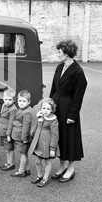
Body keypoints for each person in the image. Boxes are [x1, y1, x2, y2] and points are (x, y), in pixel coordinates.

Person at [50, 39, 87, 182]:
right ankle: (62, 165)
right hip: (57, 107)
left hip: (68, 109)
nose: (57, 54)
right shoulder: (59, 67)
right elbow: (54, 88)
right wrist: (49, 106)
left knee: (69, 138)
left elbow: (78, 96)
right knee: (58, 136)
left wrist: (73, 115)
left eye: (59, 52)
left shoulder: (77, 71)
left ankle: (71, 168)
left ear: (67, 53)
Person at [28, 98, 59, 187]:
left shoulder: (53, 120)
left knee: (47, 161)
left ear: (52, 110)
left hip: (47, 144)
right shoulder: (40, 116)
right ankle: (40, 175)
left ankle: (45, 178)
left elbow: (55, 135)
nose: (45, 111)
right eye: (44, 108)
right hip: (38, 142)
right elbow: (36, 127)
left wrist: (53, 148)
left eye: (48, 109)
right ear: (41, 108)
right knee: (37, 161)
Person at [10, 90, 32, 177]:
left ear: (29, 102)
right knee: (24, 153)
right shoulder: (21, 109)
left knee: (23, 153)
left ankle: (21, 171)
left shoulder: (27, 112)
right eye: (20, 101)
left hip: (22, 137)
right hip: (18, 135)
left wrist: (24, 138)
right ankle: (27, 169)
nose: (21, 103)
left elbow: (26, 127)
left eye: (24, 101)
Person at [0, 88, 18, 171]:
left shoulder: (13, 109)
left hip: (7, 132)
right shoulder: (3, 105)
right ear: (3, 99)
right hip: (2, 130)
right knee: (6, 149)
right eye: (6, 99)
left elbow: (11, 123)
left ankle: (11, 163)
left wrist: (8, 134)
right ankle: (8, 162)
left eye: (10, 100)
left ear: (14, 100)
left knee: (10, 148)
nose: (7, 101)